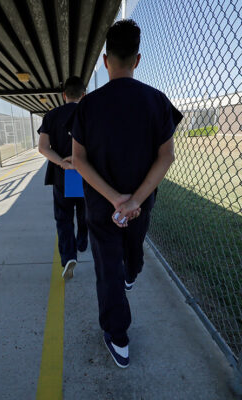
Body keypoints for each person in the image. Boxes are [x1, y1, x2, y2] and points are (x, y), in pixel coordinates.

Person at [70, 20, 183, 368]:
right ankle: (132, 272)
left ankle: (119, 339)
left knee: (108, 269)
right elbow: (167, 155)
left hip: (101, 207)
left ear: (106, 60)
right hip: (141, 204)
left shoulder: (87, 106)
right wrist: (133, 200)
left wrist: (113, 198)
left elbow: (78, 160)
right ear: (137, 59)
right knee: (133, 252)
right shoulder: (156, 101)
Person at [38, 76, 88, 280]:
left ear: (64, 95)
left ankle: (68, 256)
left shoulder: (51, 116)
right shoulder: (90, 114)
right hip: (86, 175)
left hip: (63, 176)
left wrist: (63, 163)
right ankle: (82, 241)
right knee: (85, 212)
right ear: (83, 95)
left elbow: (43, 148)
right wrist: (78, 161)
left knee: (64, 218)